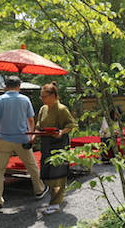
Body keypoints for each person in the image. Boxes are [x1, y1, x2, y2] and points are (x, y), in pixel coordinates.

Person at [0, 76, 49, 214]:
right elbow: (30, 119)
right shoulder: (25, 99)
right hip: (22, 139)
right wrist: (30, 136)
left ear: (5, 86)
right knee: (31, 166)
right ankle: (39, 190)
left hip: (4, 140)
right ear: (19, 86)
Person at [35, 81, 78, 215]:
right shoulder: (43, 109)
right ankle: (56, 197)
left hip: (59, 145)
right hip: (46, 144)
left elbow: (72, 125)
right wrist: (35, 134)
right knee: (47, 172)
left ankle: (55, 203)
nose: (42, 99)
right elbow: (38, 124)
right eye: (41, 97)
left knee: (58, 174)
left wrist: (61, 132)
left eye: (44, 96)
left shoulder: (62, 109)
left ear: (53, 95)